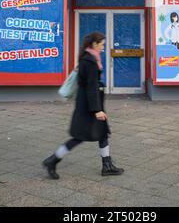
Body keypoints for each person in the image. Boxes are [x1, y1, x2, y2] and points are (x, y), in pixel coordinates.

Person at [42, 31, 124, 180]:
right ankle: (52, 161)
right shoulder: (90, 61)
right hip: (89, 106)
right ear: (94, 44)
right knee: (78, 137)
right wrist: (97, 110)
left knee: (102, 133)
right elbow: (90, 87)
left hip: (88, 103)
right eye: (102, 44)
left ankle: (107, 165)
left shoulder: (88, 58)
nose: (103, 47)